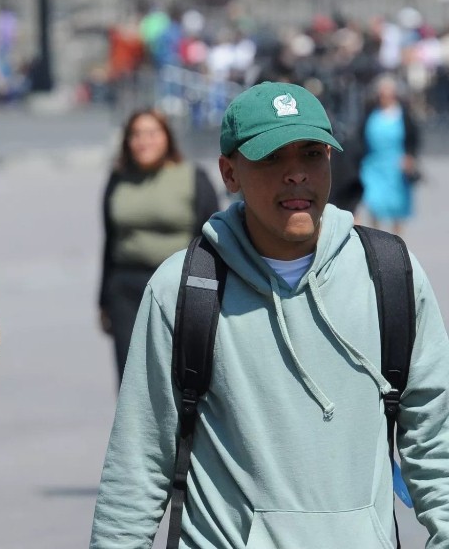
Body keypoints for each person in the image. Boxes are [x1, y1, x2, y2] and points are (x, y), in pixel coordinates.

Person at [90, 82, 449, 547]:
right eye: (272, 157)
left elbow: (435, 442)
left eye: (312, 154)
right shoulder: (184, 288)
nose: (296, 174)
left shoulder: (391, 275)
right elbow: (138, 468)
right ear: (229, 172)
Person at [98, 109, 219, 384]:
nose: (144, 141)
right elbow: (109, 241)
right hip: (127, 289)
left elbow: (212, 238)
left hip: (180, 286)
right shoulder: (119, 179)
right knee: (132, 376)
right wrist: (103, 299)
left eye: (152, 133)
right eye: (136, 135)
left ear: (167, 138)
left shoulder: (192, 177)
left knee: (180, 375)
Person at [359, 74, 421, 236]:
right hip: (373, 165)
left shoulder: (404, 115)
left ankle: (397, 242)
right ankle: (376, 241)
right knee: (374, 204)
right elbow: (360, 137)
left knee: (397, 207)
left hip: (396, 166)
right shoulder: (371, 113)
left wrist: (410, 157)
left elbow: (414, 138)